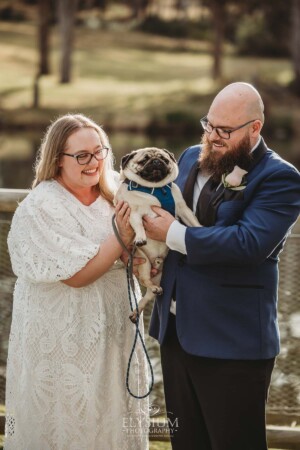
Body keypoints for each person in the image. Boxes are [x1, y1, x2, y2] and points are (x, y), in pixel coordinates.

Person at [143, 82, 300, 450]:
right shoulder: (187, 158)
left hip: (232, 343)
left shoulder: (280, 178)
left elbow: (247, 244)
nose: (212, 137)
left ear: (255, 129)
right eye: (208, 125)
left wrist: (172, 233)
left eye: (224, 131)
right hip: (176, 334)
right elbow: (163, 211)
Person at [4, 114, 149, 450]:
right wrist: (122, 235)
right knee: (67, 423)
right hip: (65, 347)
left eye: (100, 151)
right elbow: (77, 276)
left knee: (113, 421)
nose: (94, 162)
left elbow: (135, 255)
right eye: (82, 155)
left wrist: (137, 254)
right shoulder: (42, 207)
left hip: (116, 338)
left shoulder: (116, 193)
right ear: (58, 160)